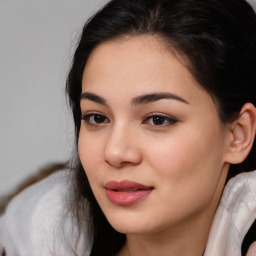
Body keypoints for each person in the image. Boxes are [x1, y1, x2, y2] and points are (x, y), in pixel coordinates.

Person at [0, 0, 256, 255]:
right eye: (97, 118)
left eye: (158, 119)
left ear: (238, 135)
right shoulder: (39, 235)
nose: (115, 152)